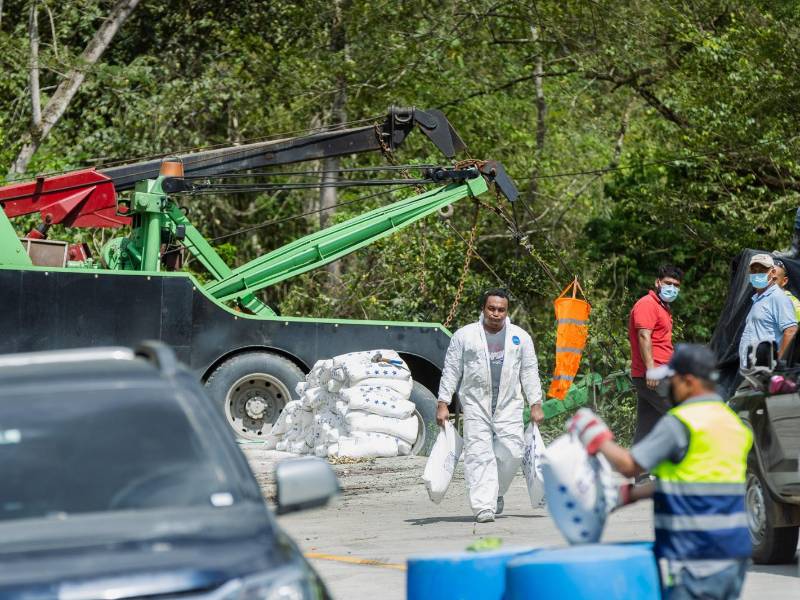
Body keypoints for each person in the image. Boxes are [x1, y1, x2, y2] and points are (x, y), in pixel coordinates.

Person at [568, 344, 752, 600]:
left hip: (695, 558)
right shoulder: (731, 421)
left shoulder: (682, 421)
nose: (668, 387)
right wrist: (630, 494)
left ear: (688, 381)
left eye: (672, 380)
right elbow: (694, 479)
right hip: (735, 556)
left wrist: (595, 434)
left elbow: (629, 465)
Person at [436, 288, 544, 523]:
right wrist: (443, 403)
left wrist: (536, 403)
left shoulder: (520, 337)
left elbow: (529, 372)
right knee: (478, 454)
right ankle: (484, 506)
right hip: (475, 404)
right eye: (491, 308)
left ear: (507, 312)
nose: (495, 314)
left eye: (501, 310)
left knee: (513, 452)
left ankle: (496, 493)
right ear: (483, 309)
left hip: (509, 405)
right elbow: (452, 370)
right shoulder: (465, 336)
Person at [629, 265, 683, 443]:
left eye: (676, 285)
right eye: (668, 283)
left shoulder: (663, 308)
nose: (672, 288)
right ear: (657, 282)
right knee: (681, 416)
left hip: (659, 373)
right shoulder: (647, 304)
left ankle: (637, 468)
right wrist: (651, 369)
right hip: (653, 375)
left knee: (647, 426)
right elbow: (644, 336)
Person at [738, 254, 797, 369]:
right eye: (754, 271)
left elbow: (790, 331)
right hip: (749, 368)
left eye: (762, 270)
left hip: (765, 369)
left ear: (773, 272)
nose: (757, 274)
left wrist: (778, 365)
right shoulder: (758, 298)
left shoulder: (778, 297)